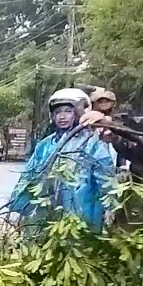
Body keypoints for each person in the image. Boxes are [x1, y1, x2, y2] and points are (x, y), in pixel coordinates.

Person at [11, 88, 116, 232]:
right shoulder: (45, 145)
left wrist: (111, 207)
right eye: (58, 112)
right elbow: (29, 177)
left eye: (68, 111)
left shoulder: (92, 143)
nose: (62, 116)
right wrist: (20, 208)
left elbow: (106, 178)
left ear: (79, 113)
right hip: (46, 214)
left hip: (83, 214)